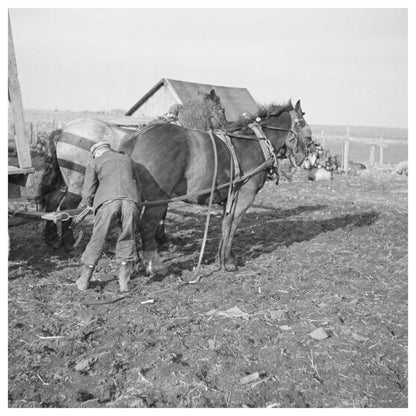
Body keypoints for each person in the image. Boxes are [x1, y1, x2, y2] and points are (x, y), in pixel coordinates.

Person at [76, 142, 142, 292]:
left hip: (107, 203)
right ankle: (124, 283)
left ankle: (83, 281)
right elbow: (138, 183)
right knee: (128, 238)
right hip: (131, 202)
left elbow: (87, 192)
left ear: (96, 153)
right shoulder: (127, 160)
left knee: (98, 239)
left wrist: (86, 204)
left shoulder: (94, 162)